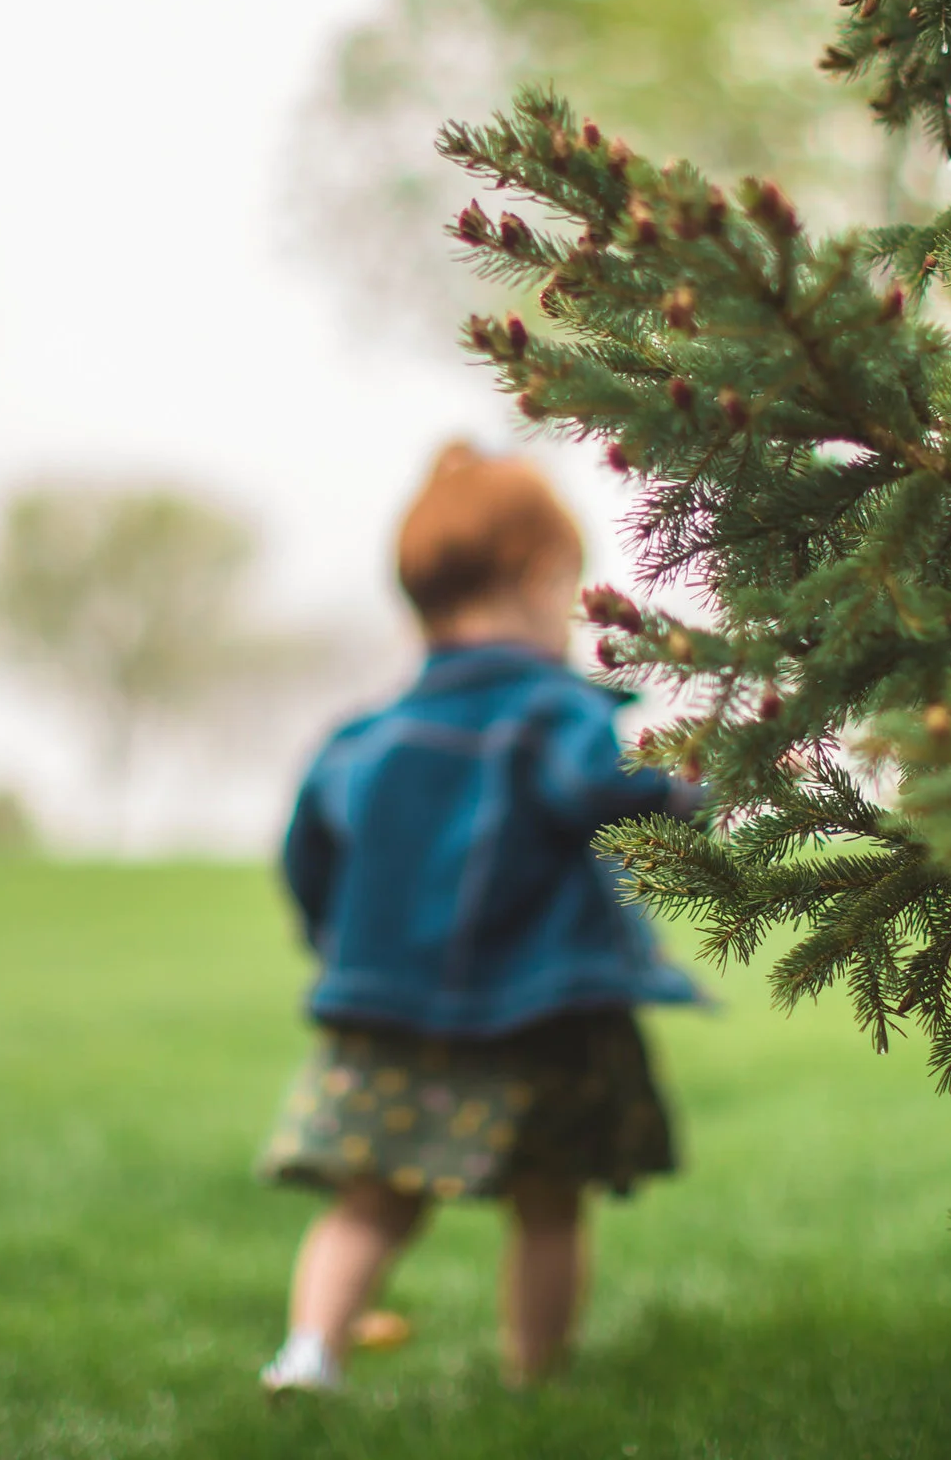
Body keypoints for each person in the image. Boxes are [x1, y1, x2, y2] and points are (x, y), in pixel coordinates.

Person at [256, 441, 699, 1396]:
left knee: (371, 1198)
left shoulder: (363, 735)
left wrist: (342, 946)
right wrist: (690, 785)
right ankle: (533, 1380)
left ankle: (309, 1353)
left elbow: (304, 854)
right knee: (548, 1205)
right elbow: (596, 786)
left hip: (388, 1019)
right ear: (543, 577)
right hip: (532, 1016)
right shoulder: (549, 711)